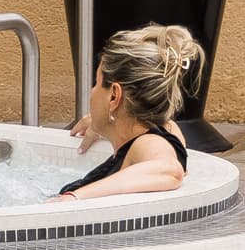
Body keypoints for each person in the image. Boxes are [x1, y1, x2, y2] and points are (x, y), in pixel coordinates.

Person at [59, 23, 204, 197]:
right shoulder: (166, 130)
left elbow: (170, 171)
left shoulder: (145, 144)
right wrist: (103, 120)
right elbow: (167, 125)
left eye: (97, 83)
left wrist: (75, 197)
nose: (92, 91)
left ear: (114, 96)